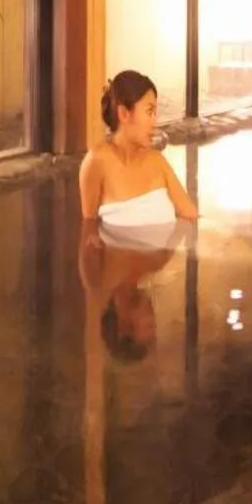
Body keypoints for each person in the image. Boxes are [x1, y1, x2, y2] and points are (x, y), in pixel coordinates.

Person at [78, 71, 198, 362]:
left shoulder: (157, 161)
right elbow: (88, 226)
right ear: (124, 114)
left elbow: (191, 216)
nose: (155, 122)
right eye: (150, 111)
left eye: (154, 112)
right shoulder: (97, 162)